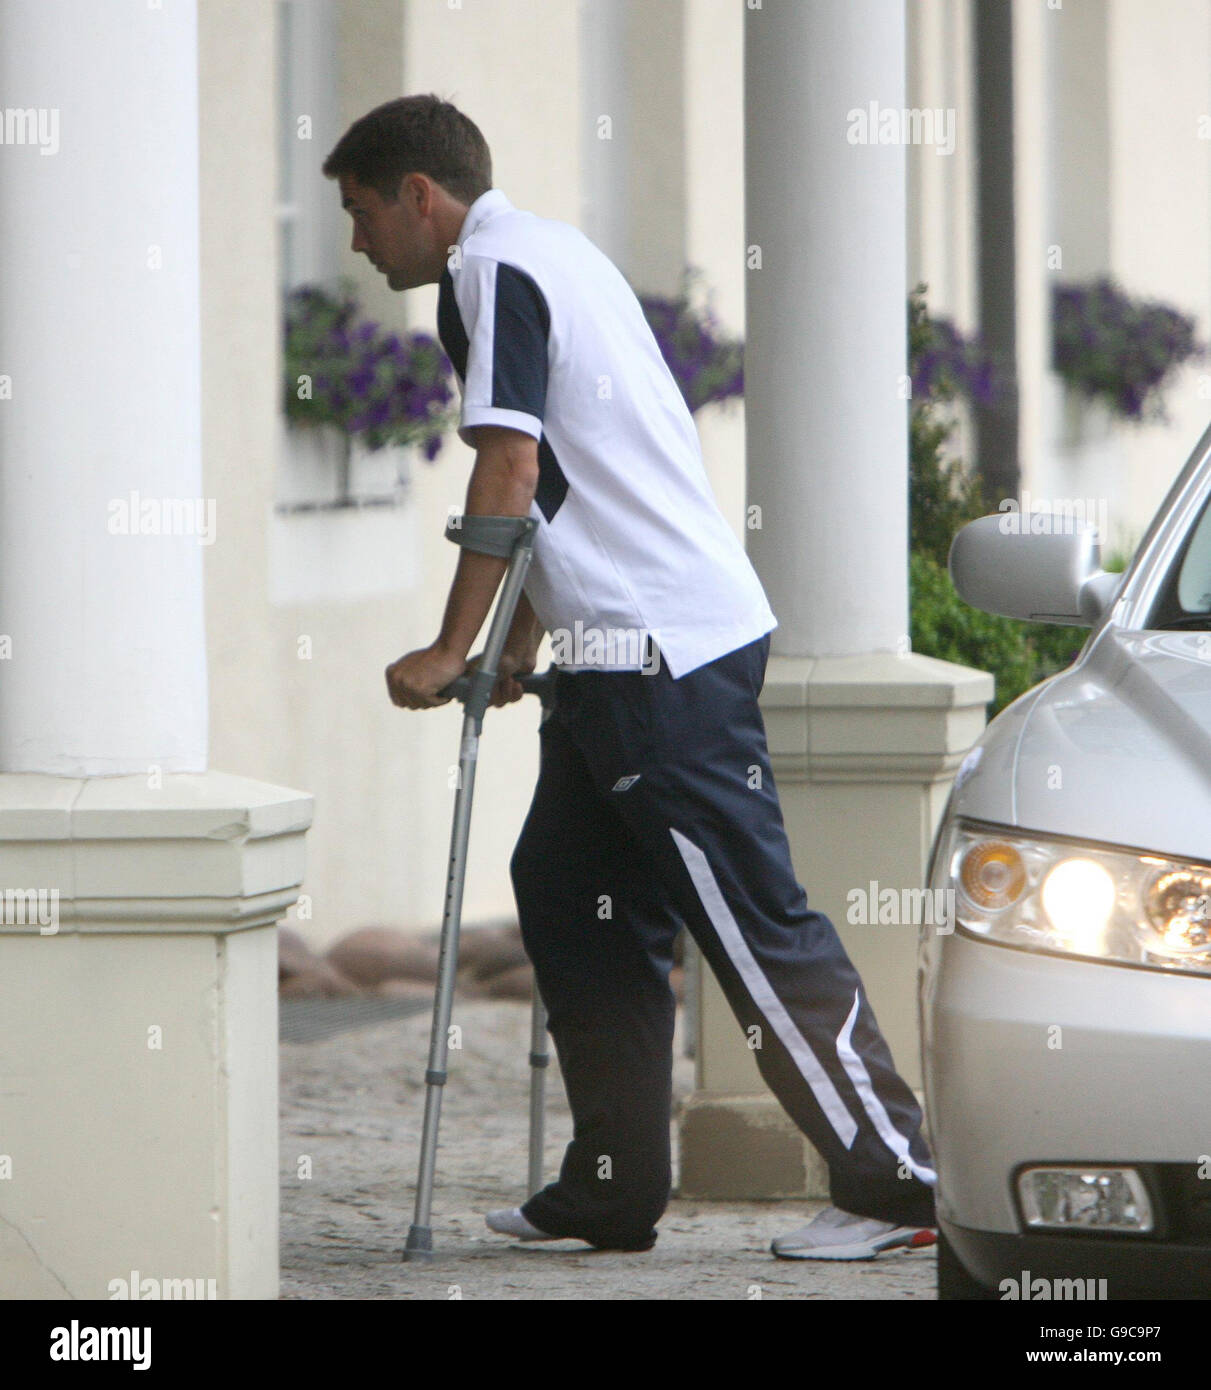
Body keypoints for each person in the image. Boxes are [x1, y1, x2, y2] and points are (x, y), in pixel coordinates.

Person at [323, 94, 938, 1260]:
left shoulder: (488, 272)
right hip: (617, 651)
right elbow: (567, 476)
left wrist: (450, 646)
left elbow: (508, 464)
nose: (356, 245)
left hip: (657, 655)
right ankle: (611, 1187)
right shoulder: (553, 252)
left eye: (360, 214)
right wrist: (517, 643)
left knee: (749, 919)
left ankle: (897, 1186)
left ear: (419, 196)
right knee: (563, 880)